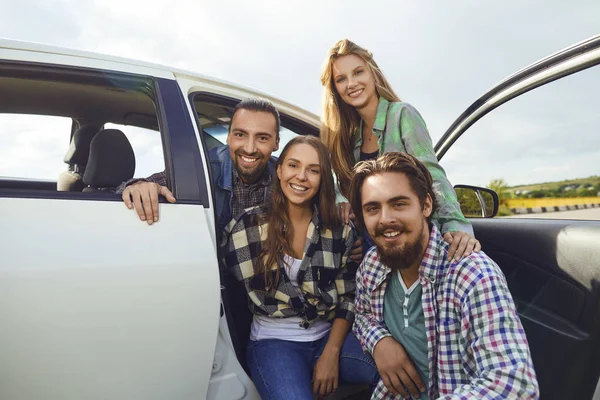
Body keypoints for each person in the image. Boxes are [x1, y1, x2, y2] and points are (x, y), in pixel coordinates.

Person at [349, 152, 539, 399]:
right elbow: (362, 314)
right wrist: (380, 341)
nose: (386, 219)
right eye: (373, 208)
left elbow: (513, 386)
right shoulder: (372, 265)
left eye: (399, 204)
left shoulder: (473, 275)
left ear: (426, 205)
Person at [222, 136, 379, 400]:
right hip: (273, 343)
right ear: (279, 169)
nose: (302, 177)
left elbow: (348, 297)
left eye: (313, 170)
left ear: (322, 179)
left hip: (329, 336)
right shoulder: (244, 227)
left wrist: (331, 352)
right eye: (293, 165)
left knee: (394, 372)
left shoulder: (338, 229)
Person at [320, 38, 479, 261]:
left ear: (372, 73)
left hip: (413, 243)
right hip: (375, 248)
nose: (351, 83)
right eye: (341, 79)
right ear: (335, 88)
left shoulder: (403, 115)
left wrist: (455, 224)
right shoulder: (348, 137)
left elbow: (432, 174)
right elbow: (336, 184)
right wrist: (341, 203)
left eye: (358, 72)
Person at [116, 97, 280, 232]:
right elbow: (136, 188)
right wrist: (138, 186)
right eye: (240, 135)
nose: (249, 149)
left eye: (262, 138)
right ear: (228, 137)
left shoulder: (285, 177)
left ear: (276, 143)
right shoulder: (203, 168)